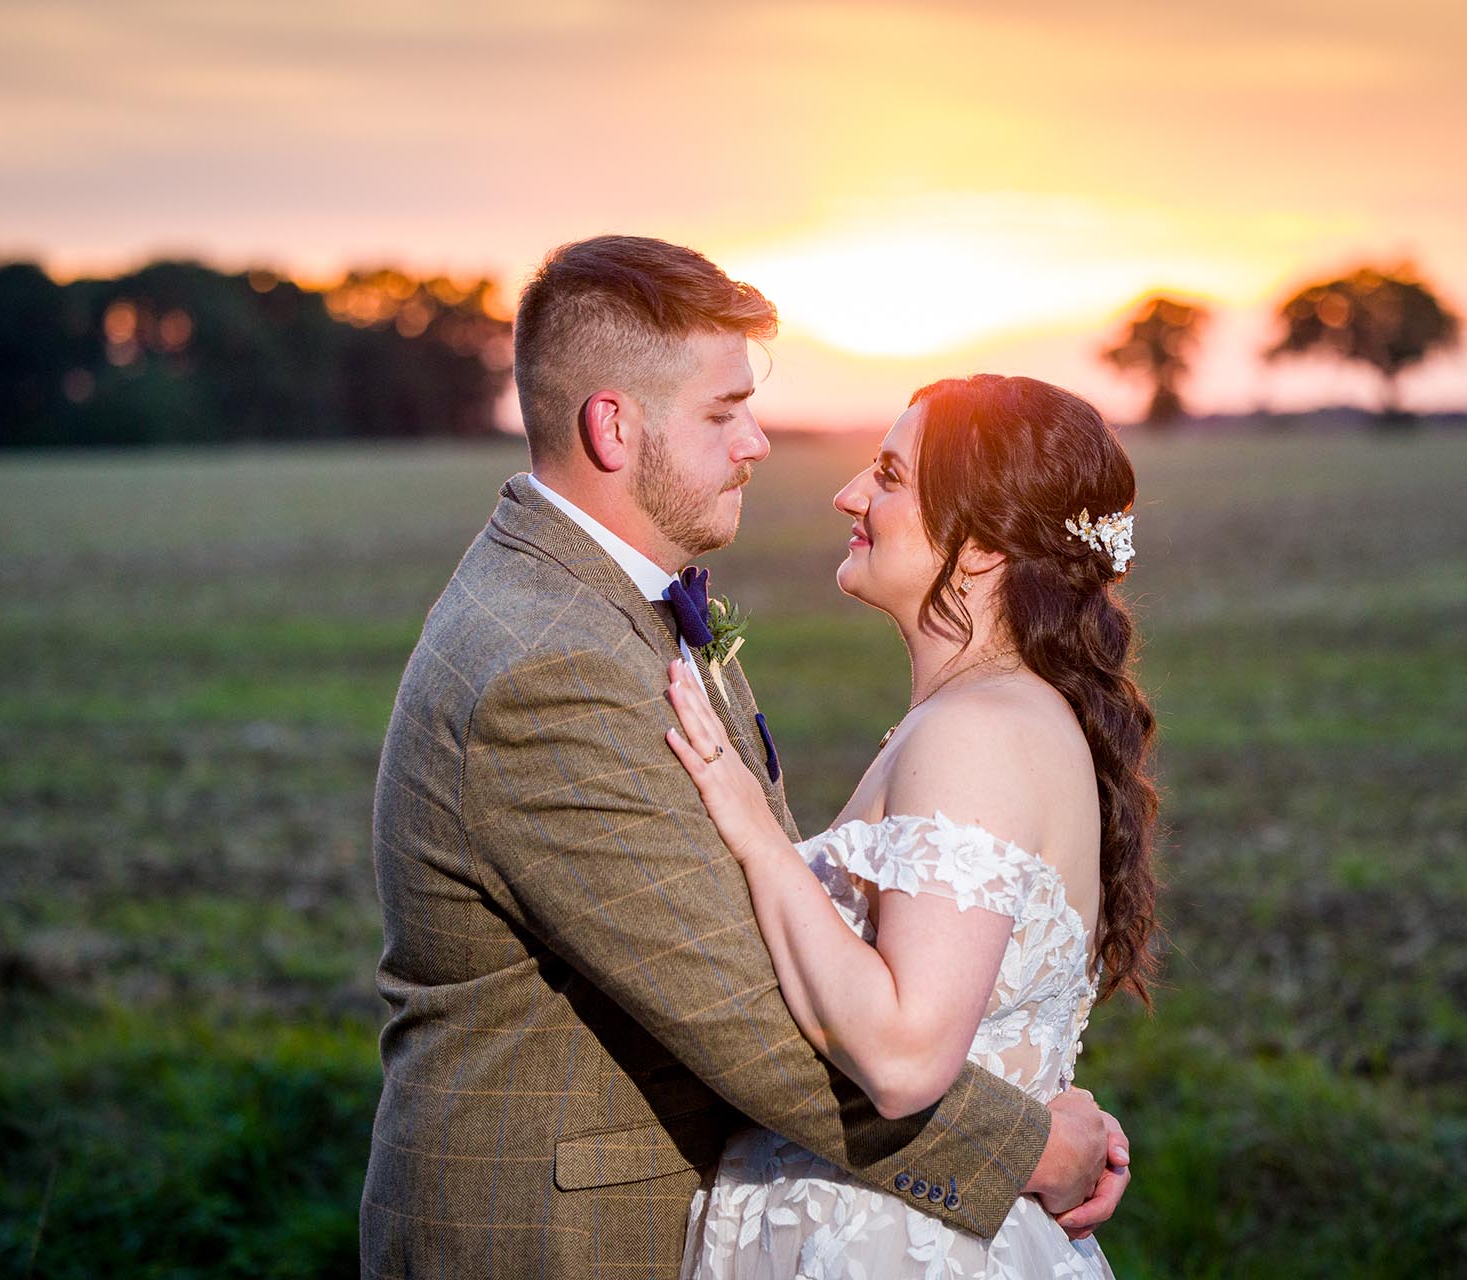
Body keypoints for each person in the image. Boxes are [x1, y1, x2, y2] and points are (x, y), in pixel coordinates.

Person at [359, 236, 1131, 1278]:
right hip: (560, 1244)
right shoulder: (549, 665)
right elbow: (751, 1018)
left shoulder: (620, 616)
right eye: (724, 412)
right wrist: (1028, 1142)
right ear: (613, 425)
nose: (764, 444)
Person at [664, 373, 1159, 1278]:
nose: (850, 494)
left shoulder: (979, 732)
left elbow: (902, 1056)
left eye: (889, 475)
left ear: (980, 546)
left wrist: (754, 834)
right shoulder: (992, 716)